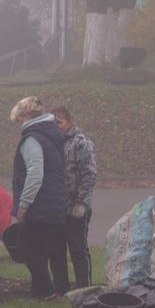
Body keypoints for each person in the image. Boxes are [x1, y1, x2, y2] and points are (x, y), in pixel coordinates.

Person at [10, 96, 69, 298]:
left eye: (19, 119)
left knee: (27, 249)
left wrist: (23, 205)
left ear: (27, 116)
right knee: (41, 250)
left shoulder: (32, 139)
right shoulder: (51, 135)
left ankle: (47, 294)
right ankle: (38, 293)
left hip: (39, 205)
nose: (20, 124)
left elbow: (35, 174)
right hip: (53, 203)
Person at [52, 106, 97, 289]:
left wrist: (82, 203)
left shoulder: (82, 143)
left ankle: (84, 288)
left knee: (78, 249)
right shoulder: (54, 143)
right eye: (53, 123)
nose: (56, 126)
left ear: (69, 122)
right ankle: (62, 289)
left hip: (77, 207)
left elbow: (90, 175)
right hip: (58, 207)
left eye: (59, 122)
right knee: (57, 249)